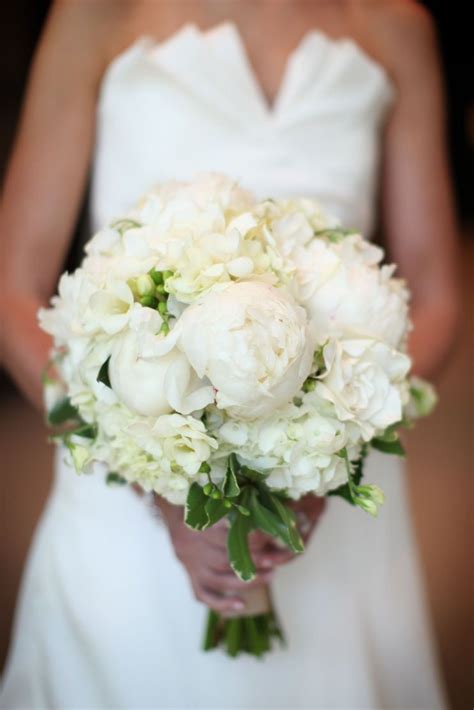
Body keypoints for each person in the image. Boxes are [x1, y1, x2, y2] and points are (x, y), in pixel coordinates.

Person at [1, 1, 459, 707]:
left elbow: (436, 297)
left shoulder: (394, 25)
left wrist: (328, 450)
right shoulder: (95, 13)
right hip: (125, 492)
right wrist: (150, 468)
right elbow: (11, 287)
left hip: (331, 482)